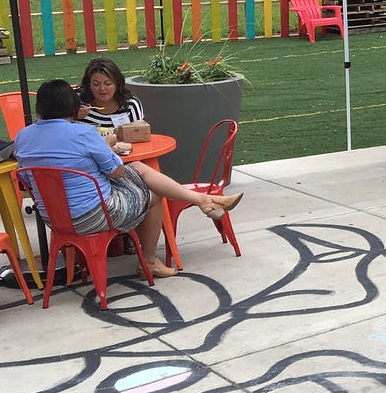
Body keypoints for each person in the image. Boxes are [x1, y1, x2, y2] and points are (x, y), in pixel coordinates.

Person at [14, 80, 243, 279]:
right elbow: (116, 172)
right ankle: (150, 261)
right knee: (152, 191)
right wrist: (107, 146)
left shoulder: (23, 137)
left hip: (53, 218)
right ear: (71, 106)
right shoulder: (82, 134)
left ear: (41, 108)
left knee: (138, 169)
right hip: (94, 215)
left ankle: (203, 200)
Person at [77, 57, 144, 135]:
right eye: (96, 84)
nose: (102, 88)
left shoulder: (130, 105)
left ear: (117, 84)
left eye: (107, 84)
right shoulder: (77, 101)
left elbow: (140, 135)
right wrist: (72, 117)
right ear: (88, 85)